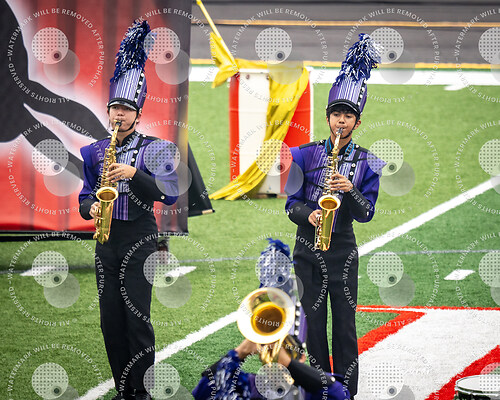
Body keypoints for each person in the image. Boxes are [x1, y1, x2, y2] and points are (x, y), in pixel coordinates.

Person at [78, 21, 178, 400]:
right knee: (110, 320)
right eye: (115, 108)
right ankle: (122, 388)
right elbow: (84, 195)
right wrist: (91, 207)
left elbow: (168, 194)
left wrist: (134, 174)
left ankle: (141, 389)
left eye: (126, 109)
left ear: (138, 113)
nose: (119, 114)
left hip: (140, 236)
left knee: (137, 318)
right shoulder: (93, 151)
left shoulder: (156, 148)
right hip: (106, 239)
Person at [284, 34, 383, 398]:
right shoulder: (302, 154)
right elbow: (291, 204)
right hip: (307, 250)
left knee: (344, 325)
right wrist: (310, 216)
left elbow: (366, 213)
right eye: (337, 114)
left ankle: (346, 392)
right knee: (312, 326)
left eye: (348, 116)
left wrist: (349, 189)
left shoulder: (369, 161)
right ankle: (318, 389)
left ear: (357, 121)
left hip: (342, 249)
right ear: (327, 117)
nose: (341, 121)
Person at [192, 338, 351, 400]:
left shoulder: (315, 389)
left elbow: (338, 395)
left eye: (286, 350)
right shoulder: (252, 385)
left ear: (302, 357)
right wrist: (239, 353)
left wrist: (289, 365)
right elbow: (204, 391)